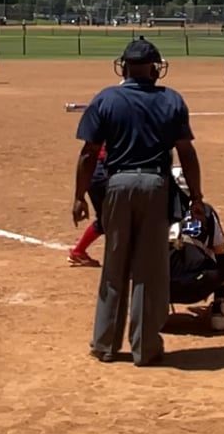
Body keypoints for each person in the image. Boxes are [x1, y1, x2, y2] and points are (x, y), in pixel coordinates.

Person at [72, 37, 203, 366]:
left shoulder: (106, 98)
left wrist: (79, 196)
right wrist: (197, 197)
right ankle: (145, 349)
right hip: (156, 186)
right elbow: (186, 152)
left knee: (114, 266)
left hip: (117, 185)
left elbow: (89, 153)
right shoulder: (171, 99)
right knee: (149, 270)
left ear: (124, 67)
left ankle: (105, 344)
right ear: (155, 68)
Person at [169, 181, 224, 332]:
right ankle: (219, 316)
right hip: (196, 287)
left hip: (160, 289)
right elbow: (219, 249)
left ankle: (149, 316)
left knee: (147, 258)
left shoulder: (154, 211)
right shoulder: (204, 210)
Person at [67, 145, 109, 267]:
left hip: (100, 169)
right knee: (111, 220)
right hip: (103, 170)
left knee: (107, 220)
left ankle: (79, 251)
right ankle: (78, 252)